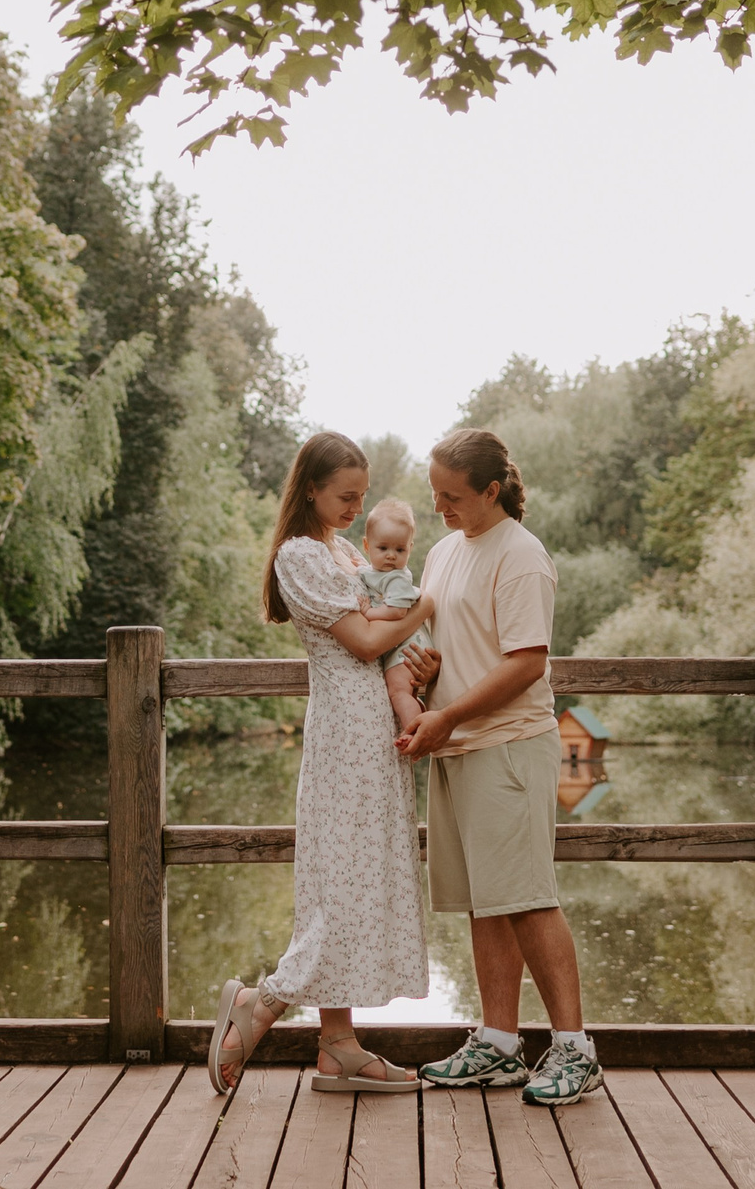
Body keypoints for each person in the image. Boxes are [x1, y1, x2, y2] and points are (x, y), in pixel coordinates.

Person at [209, 432, 436, 1096]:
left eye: (362, 497)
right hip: (343, 734)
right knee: (338, 886)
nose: (355, 508)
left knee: (360, 877)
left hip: (375, 732)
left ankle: (337, 1044)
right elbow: (365, 639)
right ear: (311, 487)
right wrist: (424, 605)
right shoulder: (300, 556)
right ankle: (262, 1004)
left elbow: (389, 647)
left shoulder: (346, 551)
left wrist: (422, 664)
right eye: (345, 495)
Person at [397, 427, 602, 1107]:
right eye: (434, 494)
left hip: (508, 745)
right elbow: (446, 644)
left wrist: (447, 716)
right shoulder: (444, 552)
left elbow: (526, 661)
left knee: (527, 898)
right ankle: (500, 1043)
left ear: (492, 489)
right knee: (488, 901)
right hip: (456, 745)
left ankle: (575, 1050)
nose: (439, 508)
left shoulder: (521, 553)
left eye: (452, 496)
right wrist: (426, 676)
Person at [361, 498, 431, 735]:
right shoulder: (374, 572)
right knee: (402, 692)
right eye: (383, 549)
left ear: (410, 548)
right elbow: (364, 574)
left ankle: (413, 732)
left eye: (400, 550)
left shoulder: (398, 578)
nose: (391, 556)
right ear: (367, 546)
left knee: (398, 691)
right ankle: (416, 712)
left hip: (409, 646)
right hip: (399, 645)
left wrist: (370, 613)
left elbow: (397, 611)